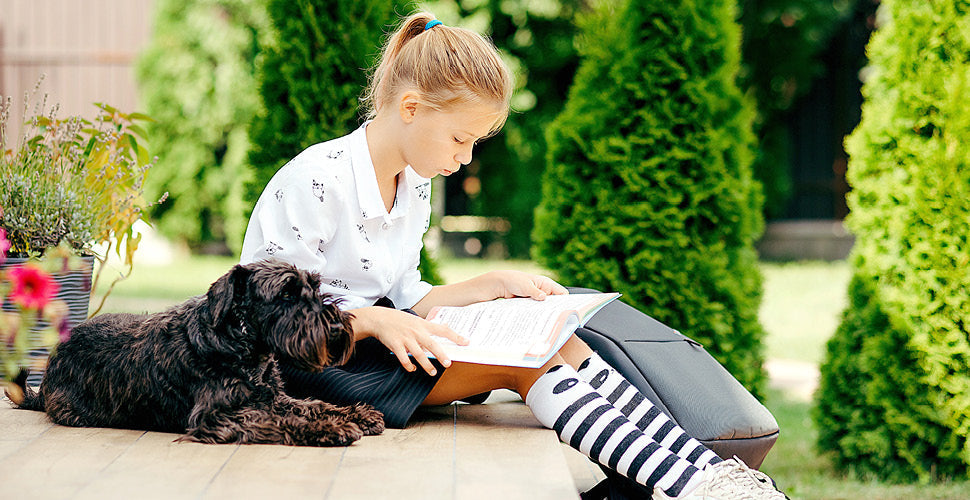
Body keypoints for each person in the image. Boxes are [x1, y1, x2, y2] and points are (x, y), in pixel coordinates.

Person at [240, 12, 786, 500]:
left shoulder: (414, 185)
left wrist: (491, 284)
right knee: (526, 363)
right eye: (460, 138)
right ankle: (691, 487)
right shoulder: (317, 179)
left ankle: (713, 474)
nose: (466, 156)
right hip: (304, 368)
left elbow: (412, 298)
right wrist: (376, 319)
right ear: (410, 107)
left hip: (385, 348)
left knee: (557, 341)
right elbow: (266, 317)